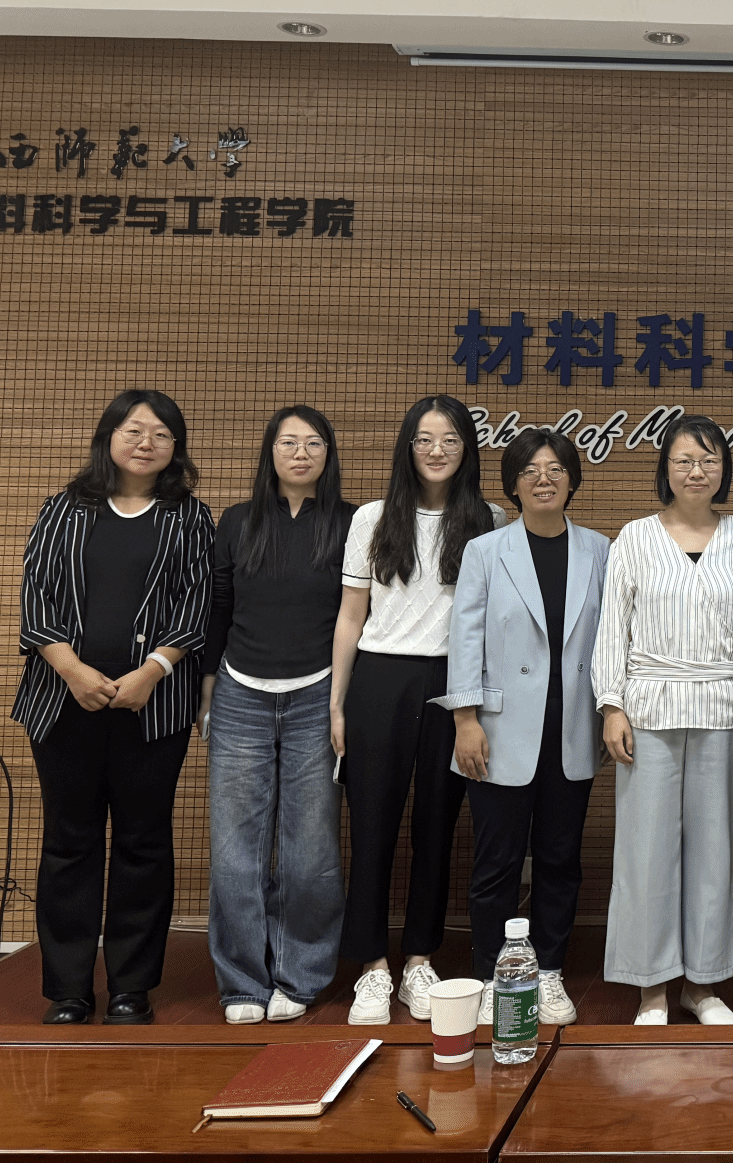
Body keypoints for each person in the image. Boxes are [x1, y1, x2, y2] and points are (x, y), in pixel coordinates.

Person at [13, 389, 214, 1025]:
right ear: (109, 437)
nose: (146, 442)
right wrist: (72, 671)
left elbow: (198, 605)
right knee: (69, 841)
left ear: (176, 448)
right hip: (62, 701)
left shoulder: (190, 518)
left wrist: (153, 672)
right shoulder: (64, 508)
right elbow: (37, 597)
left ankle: (131, 986)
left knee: (143, 842)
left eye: (161, 434)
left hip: (152, 706)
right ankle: (69, 989)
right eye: (133, 430)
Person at [331, 394, 502, 1025]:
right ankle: (372, 967)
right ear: (408, 447)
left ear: (467, 451)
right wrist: (337, 705)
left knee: (437, 825)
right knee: (371, 825)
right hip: (379, 679)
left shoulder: (488, 519)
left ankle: (419, 960)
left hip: (452, 684)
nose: (437, 451)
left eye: (451, 440)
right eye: (425, 439)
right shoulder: (373, 518)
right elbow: (350, 617)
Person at [595, 415, 733, 1025]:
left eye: (709, 459)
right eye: (684, 460)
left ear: (724, 468)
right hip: (648, 708)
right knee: (645, 852)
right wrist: (612, 704)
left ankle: (703, 984)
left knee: (713, 851)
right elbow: (612, 627)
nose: (697, 471)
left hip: (721, 705)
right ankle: (651, 988)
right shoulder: (634, 537)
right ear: (665, 469)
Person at [440, 428, 607, 1029]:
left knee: (561, 859)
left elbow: (613, 637)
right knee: (497, 863)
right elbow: (465, 638)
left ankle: (550, 971)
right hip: (498, 730)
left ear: (572, 480)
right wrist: (465, 719)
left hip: (572, 729)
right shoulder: (486, 551)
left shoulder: (599, 550)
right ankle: (492, 976)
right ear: (512, 484)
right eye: (531, 469)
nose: (544, 478)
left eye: (556, 468)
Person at [201, 404, 355, 1024]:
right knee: (234, 847)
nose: (300, 453)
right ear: (270, 452)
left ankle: (300, 973)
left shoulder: (350, 522)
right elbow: (218, 604)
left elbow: (358, 615)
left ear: (328, 455)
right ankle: (242, 982)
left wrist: (344, 700)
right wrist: (208, 686)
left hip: (318, 694)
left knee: (310, 847)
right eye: (288, 443)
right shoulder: (238, 521)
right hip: (240, 691)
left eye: (313, 443)